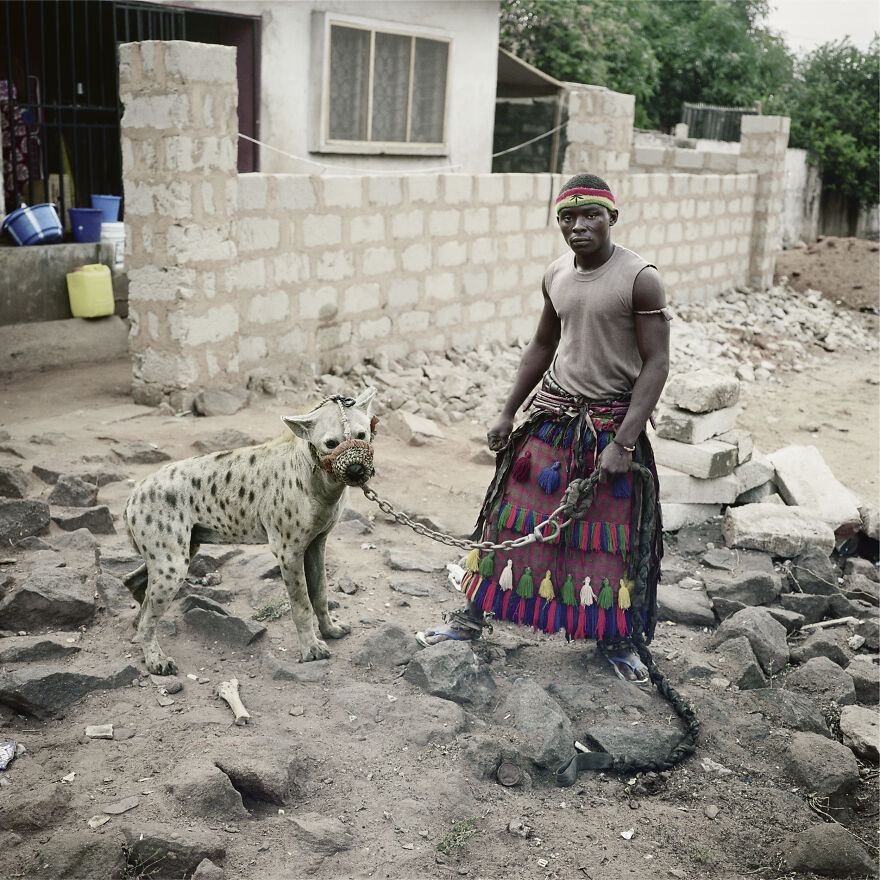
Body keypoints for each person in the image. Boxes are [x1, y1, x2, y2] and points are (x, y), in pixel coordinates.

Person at [416, 173, 671, 684]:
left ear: (612, 218)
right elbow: (541, 345)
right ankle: (470, 618)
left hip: (609, 427)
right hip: (552, 420)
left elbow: (658, 364)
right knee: (508, 521)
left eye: (591, 215)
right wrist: (507, 411)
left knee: (610, 539)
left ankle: (617, 641)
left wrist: (624, 441)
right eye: (567, 217)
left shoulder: (640, 277)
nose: (578, 226)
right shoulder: (555, 273)